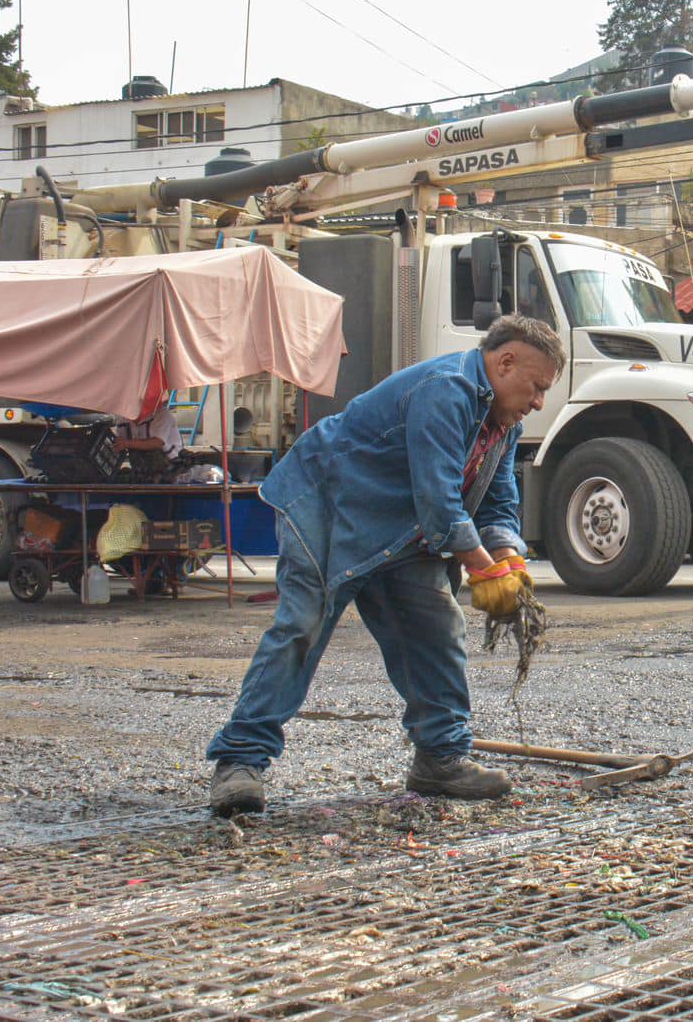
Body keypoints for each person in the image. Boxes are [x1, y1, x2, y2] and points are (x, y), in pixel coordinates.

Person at [206, 316, 566, 817]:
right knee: (301, 628)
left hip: (398, 526)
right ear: (505, 362)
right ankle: (239, 762)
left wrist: (509, 562)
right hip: (326, 506)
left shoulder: (503, 426)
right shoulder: (448, 390)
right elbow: (440, 501)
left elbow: (498, 503)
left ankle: (439, 757)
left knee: (436, 630)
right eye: (537, 387)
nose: (538, 402)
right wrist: (485, 571)